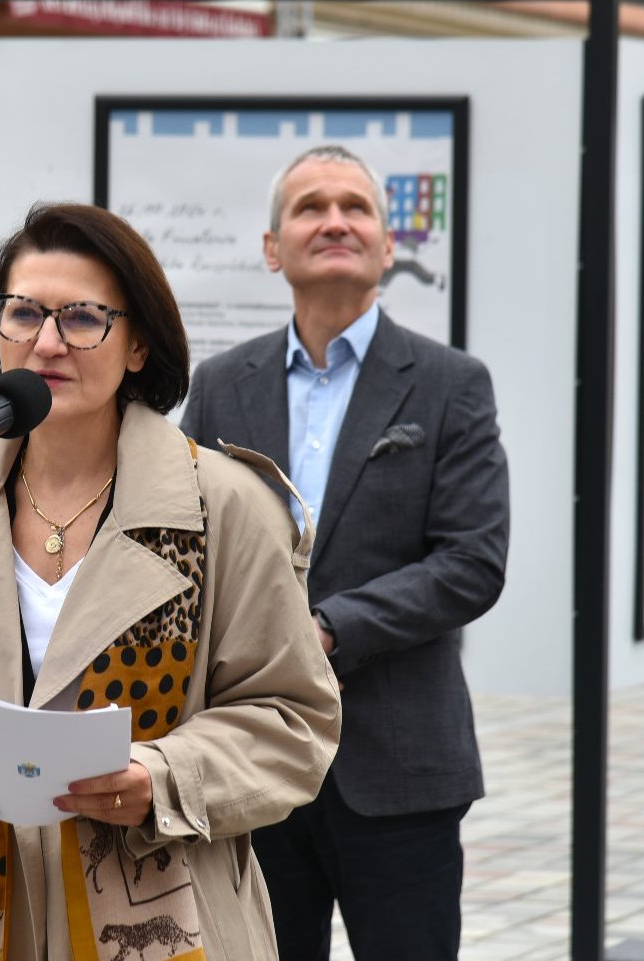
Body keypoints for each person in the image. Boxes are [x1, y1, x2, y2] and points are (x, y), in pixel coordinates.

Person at [0, 202, 341, 961]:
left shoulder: (224, 506)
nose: (46, 342)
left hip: (165, 915)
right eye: (22, 313)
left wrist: (162, 775)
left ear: (138, 342)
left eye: (81, 318)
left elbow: (293, 718)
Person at [179, 144, 510, 961]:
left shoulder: (449, 382)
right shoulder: (222, 384)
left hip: (398, 765)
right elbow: (177, 544)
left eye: (356, 207)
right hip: (250, 755)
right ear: (272, 247)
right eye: (310, 207)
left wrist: (326, 628)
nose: (334, 221)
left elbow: (472, 560)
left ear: (388, 247)